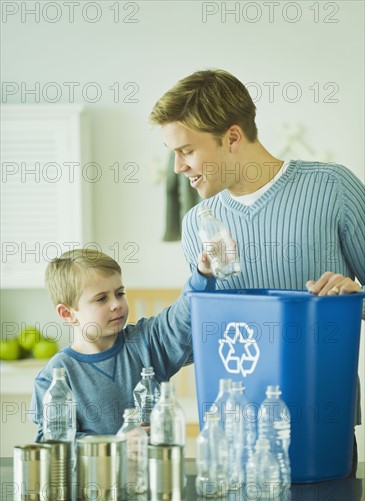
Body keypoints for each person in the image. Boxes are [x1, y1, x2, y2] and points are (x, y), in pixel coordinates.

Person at [149, 69, 365, 476]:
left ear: (232, 137)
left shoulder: (332, 189)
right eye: (172, 153)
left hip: (320, 423)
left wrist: (353, 294)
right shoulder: (197, 224)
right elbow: (202, 333)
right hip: (233, 431)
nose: (178, 167)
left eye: (187, 151)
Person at [30, 248, 215, 439]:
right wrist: (116, 444)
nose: (116, 304)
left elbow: (180, 316)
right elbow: (53, 441)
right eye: (102, 298)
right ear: (67, 314)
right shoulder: (56, 376)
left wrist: (202, 275)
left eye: (119, 293)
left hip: (152, 467)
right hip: (94, 469)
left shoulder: (145, 341)